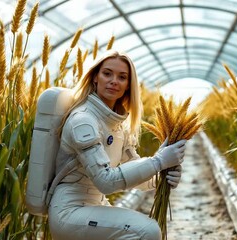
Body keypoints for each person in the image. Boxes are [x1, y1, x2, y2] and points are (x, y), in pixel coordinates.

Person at [48, 49, 186, 240]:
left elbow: (135, 170)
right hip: (70, 212)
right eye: (107, 74)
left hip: (95, 207)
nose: (114, 81)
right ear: (95, 77)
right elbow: (106, 182)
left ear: (129, 85)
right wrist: (158, 162)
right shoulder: (83, 121)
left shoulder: (118, 125)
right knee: (147, 231)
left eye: (122, 77)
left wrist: (162, 176)